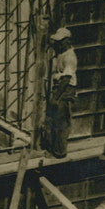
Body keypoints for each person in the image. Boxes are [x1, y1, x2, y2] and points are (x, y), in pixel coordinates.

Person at [41, 26, 77, 158]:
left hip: (65, 89)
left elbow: (66, 79)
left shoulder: (70, 57)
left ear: (67, 41)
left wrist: (55, 98)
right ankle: (53, 148)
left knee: (61, 122)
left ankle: (60, 152)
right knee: (54, 120)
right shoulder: (62, 52)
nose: (58, 44)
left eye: (60, 41)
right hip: (59, 87)